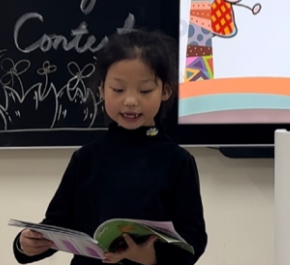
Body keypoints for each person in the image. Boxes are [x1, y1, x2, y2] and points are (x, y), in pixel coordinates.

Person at [12, 29, 207, 265]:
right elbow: (59, 224)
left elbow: (194, 239)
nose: (130, 101)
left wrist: (151, 257)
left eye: (145, 90)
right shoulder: (86, 158)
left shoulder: (178, 162)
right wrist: (27, 244)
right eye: (118, 89)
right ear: (102, 89)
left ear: (165, 91)